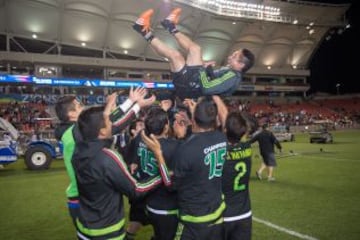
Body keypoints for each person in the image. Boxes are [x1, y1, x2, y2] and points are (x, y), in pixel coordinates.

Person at [54, 87, 154, 233]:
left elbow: (106, 120)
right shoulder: (76, 133)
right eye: (79, 105)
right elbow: (111, 125)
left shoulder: (73, 132)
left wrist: (130, 102)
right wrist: (136, 105)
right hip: (87, 199)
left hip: (81, 197)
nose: (84, 106)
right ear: (71, 114)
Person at [72, 104, 171, 240]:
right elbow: (137, 190)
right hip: (107, 231)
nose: (112, 124)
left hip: (83, 227)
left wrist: (134, 104)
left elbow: (110, 126)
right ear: (101, 131)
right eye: (108, 122)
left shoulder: (79, 148)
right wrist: (162, 175)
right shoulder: (107, 157)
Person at [141, 97, 227, 240]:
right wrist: (193, 118)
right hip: (217, 213)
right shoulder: (221, 138)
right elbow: (203, 140)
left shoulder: (186, 149)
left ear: (194, 120)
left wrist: (158, 153)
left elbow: (169, 184)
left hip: (194, 219)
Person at [133, 8, 255, 100]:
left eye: (234, 56)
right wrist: (208, 69)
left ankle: (161, 27)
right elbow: (214, 82)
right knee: (180, 54)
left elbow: (207, 88)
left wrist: (202, 69)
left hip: (191, 90)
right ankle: (151, 29)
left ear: (241, 65)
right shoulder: (231, 72)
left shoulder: (233, 76)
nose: (230, 56)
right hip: (191, 85)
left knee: (185, 53)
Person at [222, 112, 253, 240]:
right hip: (244, 214)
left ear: (225, 130)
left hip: (223, 215)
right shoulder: (248, 147)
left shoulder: (220, 152)